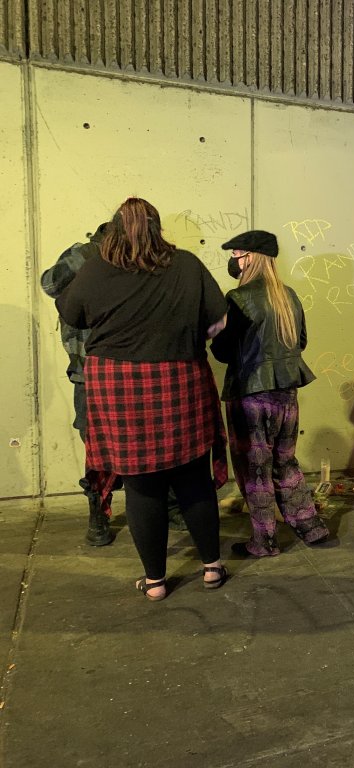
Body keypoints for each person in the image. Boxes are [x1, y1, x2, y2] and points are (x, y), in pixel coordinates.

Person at [56, 197, 229, 601]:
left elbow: (73, 315)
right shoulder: (186, 263)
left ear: (114, 229)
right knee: (192, 477)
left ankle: (155, 582)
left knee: (142, 485)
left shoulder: (96, 268)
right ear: (157, 229)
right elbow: (219, 320)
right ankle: (211, 568)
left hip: (118, 385)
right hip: (180, 377)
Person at [211, 230, 331, 558]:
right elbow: (300, 341)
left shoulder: (238, 299)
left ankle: (263, 541)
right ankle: (310, 525)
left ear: (250, 257)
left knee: (255, 468)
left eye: (237, 254)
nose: (233, 261)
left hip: (250, 394)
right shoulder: (288, 295)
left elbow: (222, 351)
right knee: (285, 461)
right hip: (286, 393)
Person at [41, 224, 118, 546]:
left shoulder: (132, 263)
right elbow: (50, 283)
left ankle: (169, 505)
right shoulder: (82, 257)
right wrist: (91, 253)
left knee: (153, 440)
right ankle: (98, 512)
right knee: (97, 449)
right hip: (87, 374)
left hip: (127, 370)